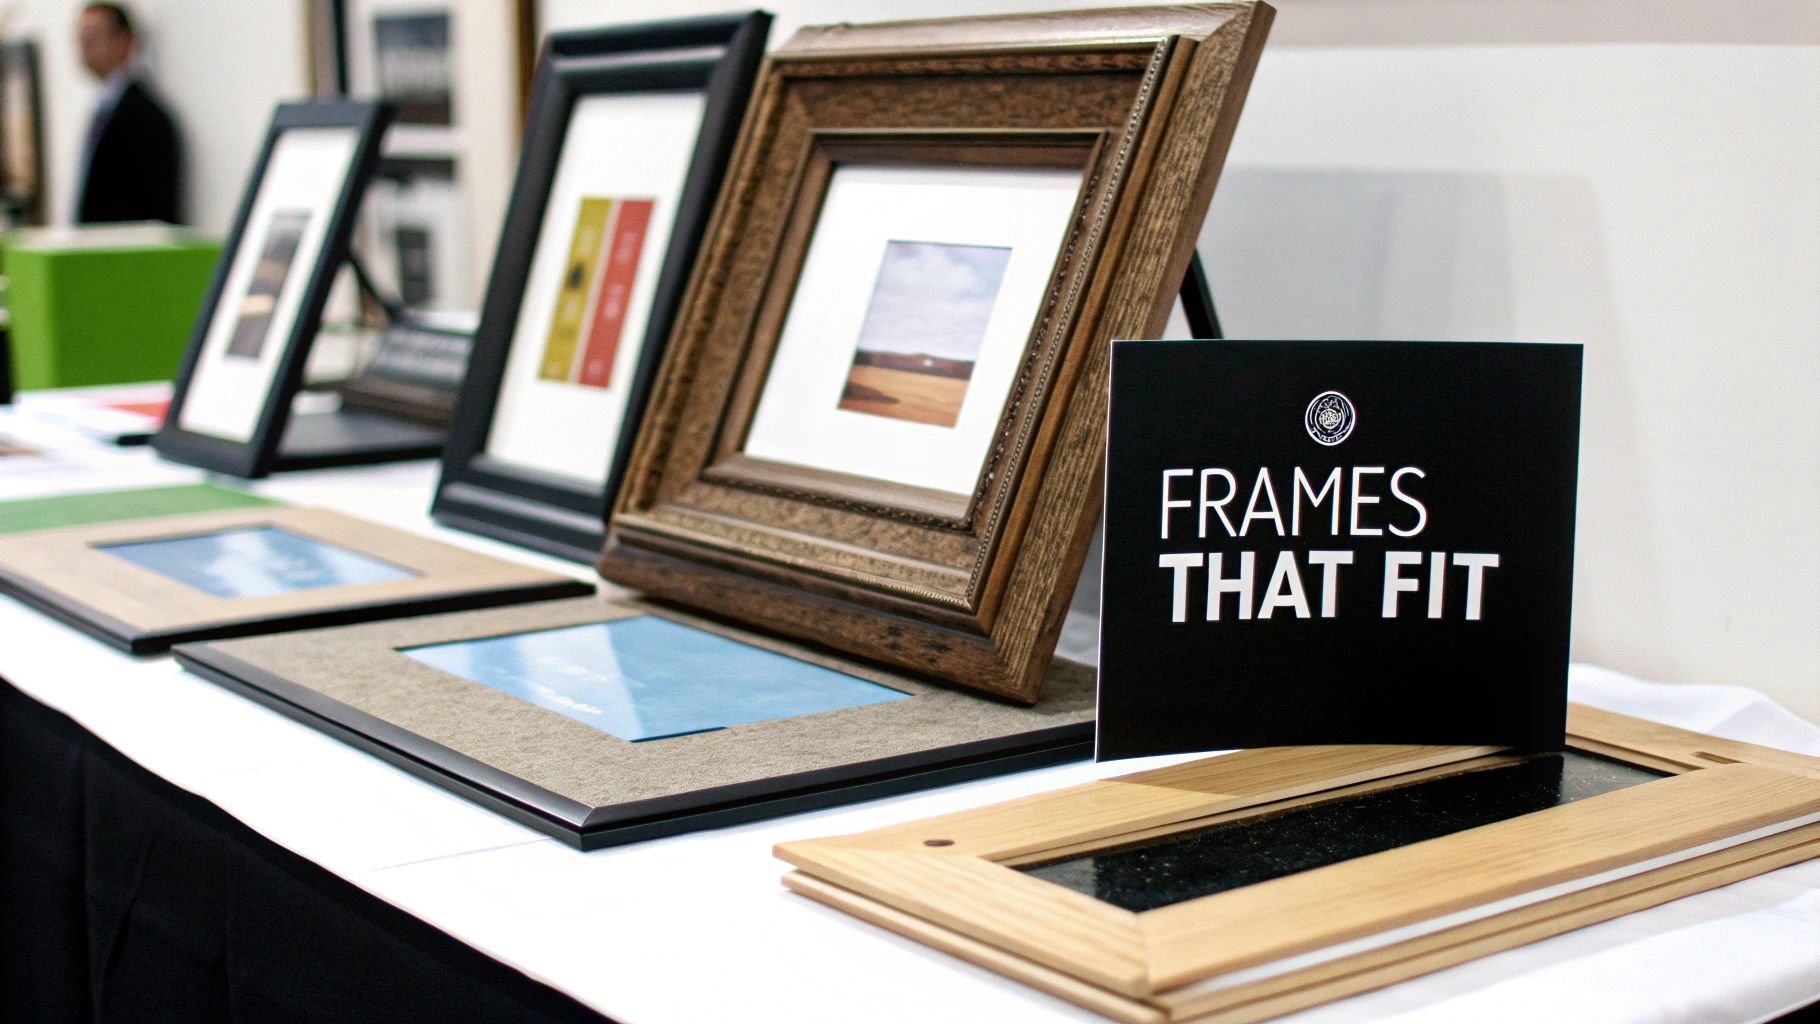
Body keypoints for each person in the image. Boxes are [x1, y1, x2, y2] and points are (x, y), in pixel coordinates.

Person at [73, 2, 180, 224]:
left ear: (126, 40)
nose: (85, 46)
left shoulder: (145, 116)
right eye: (81, 37)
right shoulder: (104, 107)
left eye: (93, 36)